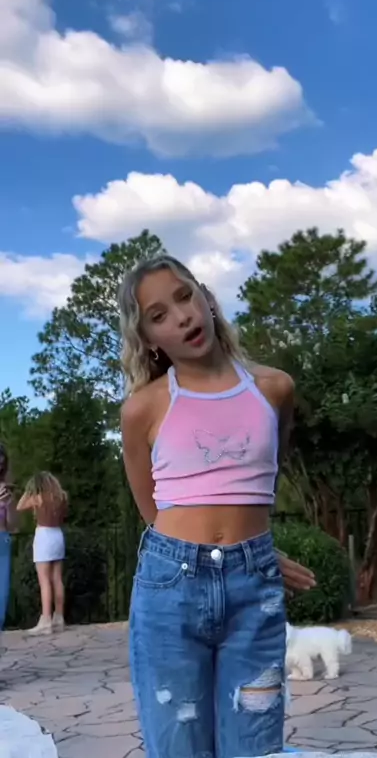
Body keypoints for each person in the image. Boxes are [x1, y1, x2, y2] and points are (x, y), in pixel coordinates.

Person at [119, 254, 316, 758]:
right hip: (170, 590)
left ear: (206, 297)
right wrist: (201, 554)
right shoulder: (143, 408)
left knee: (255, 748)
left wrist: (256, 555)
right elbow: (153, 510)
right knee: (178, 748)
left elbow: (262, 478)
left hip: (254, 588)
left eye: (185, 296)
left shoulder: (274, 388)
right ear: (148, 338)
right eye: (159, 315)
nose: (182, 316)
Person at [17, 471, 67, 636]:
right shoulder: (61, 497)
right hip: (57, 535)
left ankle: (45, 620)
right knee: (57, 578)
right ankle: (58, 618)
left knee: (44, 580)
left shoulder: (37, 498)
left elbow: (19, 506)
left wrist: (29, 490)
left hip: (44, 536)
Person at [0, 444, 16, 634]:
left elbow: (13, 523)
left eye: (2, 465)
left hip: (3, 539)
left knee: (2, 590)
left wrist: (9, 504)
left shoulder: (5, 488)